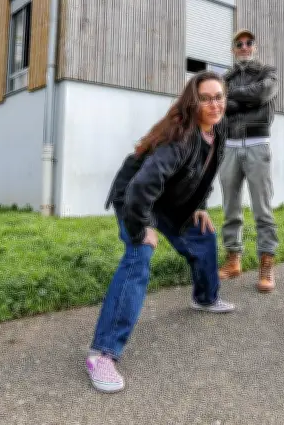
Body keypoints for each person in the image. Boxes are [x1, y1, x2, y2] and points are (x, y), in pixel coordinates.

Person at [86, 71, 235, 394]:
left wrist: (199, 206)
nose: (215, 104)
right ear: (193, 103)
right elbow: (140, 188)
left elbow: (205, 173)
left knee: (203, 236)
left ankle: (205, 298)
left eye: (219, 97)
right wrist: (142, 229)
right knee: (138, 258)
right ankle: (102, 354)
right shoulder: (179, 139)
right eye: (206, 98)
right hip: (136, 201)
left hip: (169, 201)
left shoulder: (219, 129)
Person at [217, 29, 280, 293]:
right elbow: (220, 106)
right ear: (233, 49)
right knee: (230, 207)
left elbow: (262, 94)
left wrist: (234, 97)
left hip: (257, 143)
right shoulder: (224, 78)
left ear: (255, 47)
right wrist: (244, 100)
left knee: (262, 208)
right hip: (229, 145)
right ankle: (233, 259)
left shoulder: (268, 71)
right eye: (239, 44)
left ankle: (266, 263)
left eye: (248, 43)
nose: (244, 47)